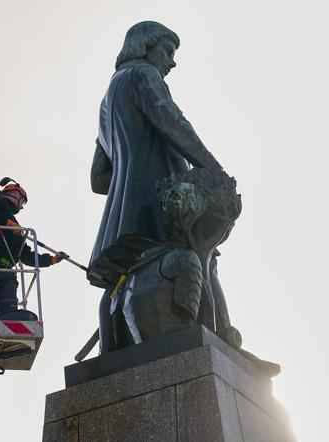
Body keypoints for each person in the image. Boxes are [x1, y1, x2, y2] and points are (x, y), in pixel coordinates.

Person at [89, 21, 233, 352]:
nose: (172, 61)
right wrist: (213, 169)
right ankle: (224, 337)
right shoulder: (142, 74)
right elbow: (173, 123)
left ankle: (113, 348)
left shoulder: (106, 103)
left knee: (121, 279)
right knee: (205, 256)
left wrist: (130, 175)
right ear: (146, 46)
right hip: (163, 193)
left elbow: (98, 179)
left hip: (128, 209)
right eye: (168, 51)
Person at [0, 181, 68, 320]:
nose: (22, 207)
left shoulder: (17, 229)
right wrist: (6, 223)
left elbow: (26, 256)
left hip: (6, 270)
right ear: (15, 194)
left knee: (9, 307)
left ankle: (8, 329)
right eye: (22, 202)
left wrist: (51, 260)